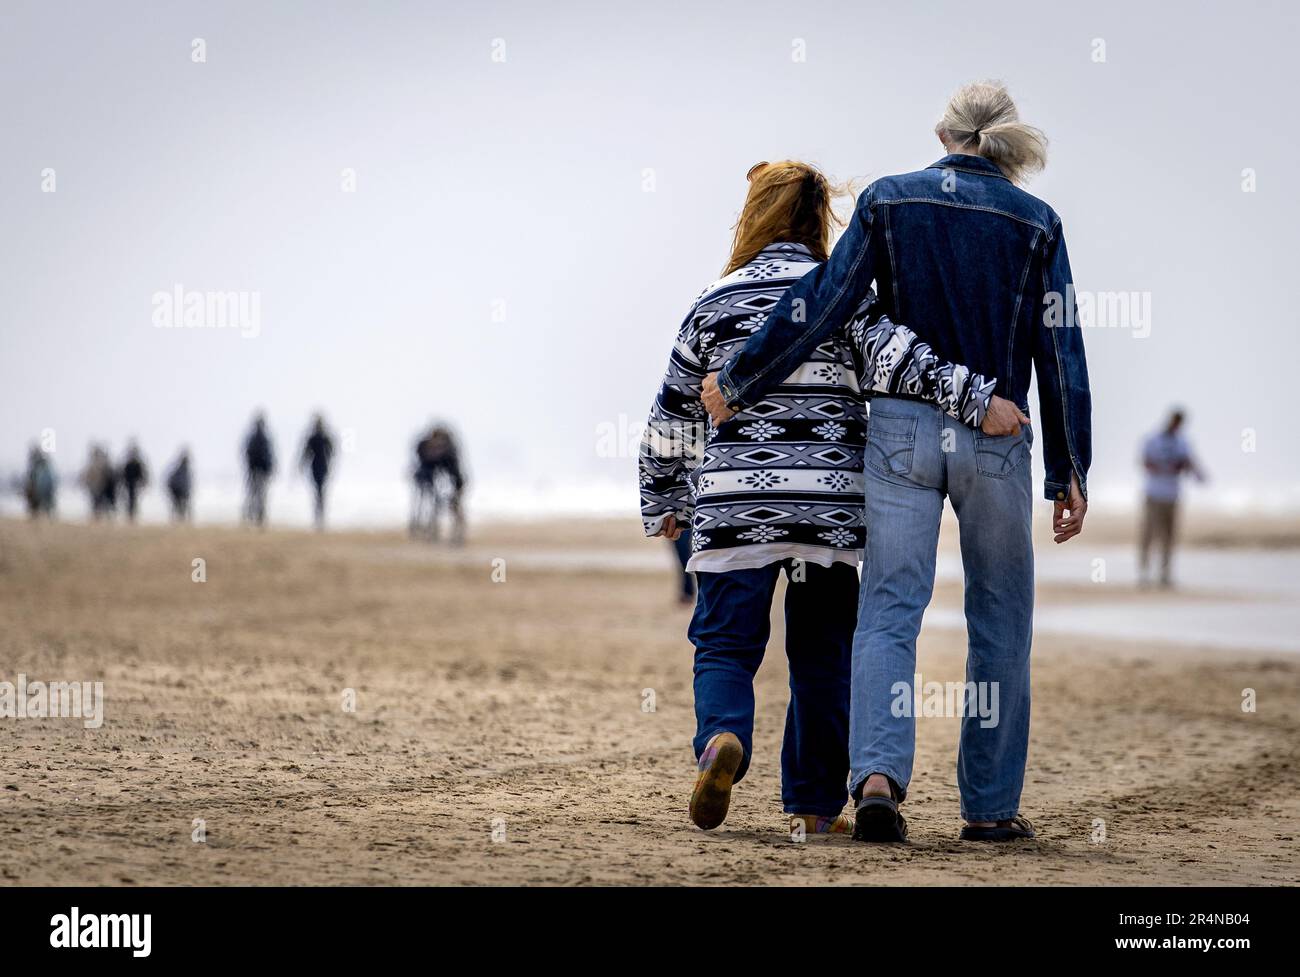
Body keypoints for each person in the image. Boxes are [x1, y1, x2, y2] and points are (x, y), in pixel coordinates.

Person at [701, 82, 1092, 843]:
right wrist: (1069, 468)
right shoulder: (1037, 221)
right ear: (1007, 143)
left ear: (944, 131)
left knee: (887, 612)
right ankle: (988, 810)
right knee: (1000, 620)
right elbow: (1062, 347)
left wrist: (744, 377)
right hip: (999, 433)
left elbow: (826, 299)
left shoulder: (887, 201)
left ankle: (876, 778)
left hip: (903, 433)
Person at [641, 159, 1004, 836]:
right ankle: (812, 807)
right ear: (818, 222)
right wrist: (980, 399)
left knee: (724, 645)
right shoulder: (842, 297)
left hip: (734, 512)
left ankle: (722, 738)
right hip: (827, 511)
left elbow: (673, 416)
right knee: (822, 656)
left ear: (753, 216)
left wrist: (662, 496)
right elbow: (906, 362)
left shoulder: (712, 301)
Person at [1139, 408, 1205, 587]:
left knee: (1169, 536)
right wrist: (1165, 468)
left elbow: (1189, 462)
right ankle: (1144, 573)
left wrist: (1198, 475)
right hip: (1154, 493)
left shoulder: (1182, 442)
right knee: (1149, 534)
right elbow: (1144, 462)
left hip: (1172, 495)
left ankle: (1165, 575)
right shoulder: (1153, 439)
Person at [411, 425, 466, 544]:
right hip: (431, 481)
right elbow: (425, 464)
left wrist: (455, 489)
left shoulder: (450, 452)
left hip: (454, 483)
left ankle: (457, 535)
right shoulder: (424, 446)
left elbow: (455, 473)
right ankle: (431, 533)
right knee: (429, 506)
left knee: (454, 509)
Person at [300, 414, 335, 530]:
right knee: (319, 493)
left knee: (318, 493)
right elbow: (331, 452)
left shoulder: (316, 437)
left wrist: (301, 465)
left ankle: (319, 518)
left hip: (318, 467)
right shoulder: (322, 437)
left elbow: (306, 453)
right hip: (320, 467)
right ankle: (319, 518)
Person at [243, 413, 275, 527]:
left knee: (258, 494)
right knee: (256, 494)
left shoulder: (261, 439)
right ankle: (253, 516)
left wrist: (270, 467)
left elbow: (269, 455)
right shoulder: (258, 439)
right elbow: (248, 453)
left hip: (259, 470)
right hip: (256, 470)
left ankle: (257, 516)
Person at [80, 444, 116, 520]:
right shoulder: (93, 465)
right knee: (95, 502)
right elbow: (87, 476)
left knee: (101, 503)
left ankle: (100, 516)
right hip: (95, 487)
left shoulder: (103, 465)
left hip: (101, 487)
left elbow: (106, 477)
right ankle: (96, 516)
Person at [24, 444, 57, 518]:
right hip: (40, 490)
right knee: (40, 507)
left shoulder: (41, 466)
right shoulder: (38, 466)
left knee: (46, 506)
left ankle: (45, 517)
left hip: (43, 489)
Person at [120, 441, 149, 523]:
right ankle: (130, 515)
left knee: (133, 500)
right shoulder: (128, 464)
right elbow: (123, 474)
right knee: (130, 500)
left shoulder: (138, 464)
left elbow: (142, 474)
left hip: (135, 485)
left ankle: (133, 514)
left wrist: (143, 482)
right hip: (129, 484)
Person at [166, 449, 193, 522]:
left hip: (181, 491)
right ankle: (178, 519)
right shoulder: (179, 469)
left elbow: (187, 482)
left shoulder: (184, 469)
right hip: (178, 491)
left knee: (181, 506)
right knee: (178, 506)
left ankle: (181, 519)